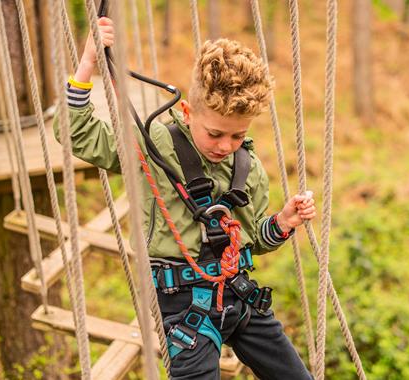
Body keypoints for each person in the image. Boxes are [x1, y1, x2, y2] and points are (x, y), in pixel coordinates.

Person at [55, 16, 316, 380]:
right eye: (215, 134)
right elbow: (78, 134)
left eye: (237, 136)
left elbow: (253, 239)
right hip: (183, 309)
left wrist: (283, 222)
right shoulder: (156, 146)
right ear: (187, 112)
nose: (225, 146)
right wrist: (87, 64)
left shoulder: (248, 165)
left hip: (240, 298)